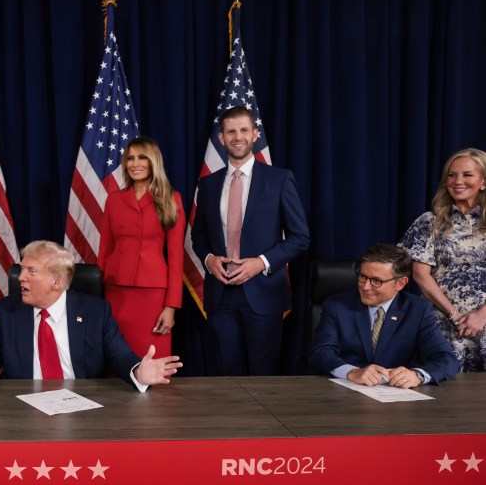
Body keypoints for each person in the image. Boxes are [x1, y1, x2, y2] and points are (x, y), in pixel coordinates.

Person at [0, 240, 182, 391]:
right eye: (22, 270)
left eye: (31, 271)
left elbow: (120, 356)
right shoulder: (8, 311)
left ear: (57, 282)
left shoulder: (95, 311)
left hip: (83, 406)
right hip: (21, 408)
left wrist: (138, 371)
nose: (20, 278)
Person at [191, 106, 310, 375]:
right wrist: (209, 260)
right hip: (220, 295)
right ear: (221, 138)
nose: (238, 137)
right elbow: (198, 235)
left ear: (255, 134)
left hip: (264, 292)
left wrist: (261, 262)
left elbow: (300, 237)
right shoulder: (207, 185)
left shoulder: (279, 179)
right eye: (231, 131)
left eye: (244, 130)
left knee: (263, 376)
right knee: (225, 375)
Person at [310, 244, 459, 386]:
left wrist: (417, 375)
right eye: (362, 277)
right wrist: (352, 372)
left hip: (397, 398)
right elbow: (320, 353)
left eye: (376, 281)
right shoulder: (336, 306)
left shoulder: (418, 310)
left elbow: (446, 360)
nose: (366, 286)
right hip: (345, 391)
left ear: (400, 283)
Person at [398, 148, 486, 372]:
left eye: (467, 175)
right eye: (451, 175)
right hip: (443, 322)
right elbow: (420, 274)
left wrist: (480, 316)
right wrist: (455, 316)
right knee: (443, 392)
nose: (458, 181)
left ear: (483, 181)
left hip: (484, 320)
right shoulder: (430, 222)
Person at [97, 136, 184, 359]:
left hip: (153, 295)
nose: (135, 164)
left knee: (153, 359)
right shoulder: (114, 200)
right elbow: (104, 250)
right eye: (130, 158)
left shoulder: (171, 199)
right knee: (116, 359)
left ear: (153, 161)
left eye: (142, 157)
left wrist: (171, 307)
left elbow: (176, 259)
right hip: (115, 291)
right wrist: (99, 295)